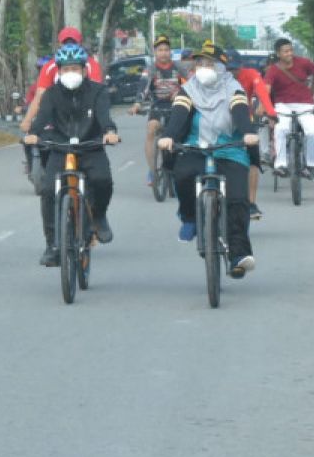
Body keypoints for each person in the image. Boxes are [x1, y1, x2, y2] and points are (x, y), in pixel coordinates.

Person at [157, 40, 259, 278]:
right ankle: (190, 217)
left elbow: (240, 113)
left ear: (222, 68)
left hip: (229, 149)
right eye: (200, 63)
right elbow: (179, 116)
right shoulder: (188, 90)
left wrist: (247, 133)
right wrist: (169, 136)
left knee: (238, 200)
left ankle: (238, 254)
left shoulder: (234, 89)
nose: (204, 68)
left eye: (210, 64)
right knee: (182, 175)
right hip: (196, 147)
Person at [23, 44, 121, 266]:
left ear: (85, 70)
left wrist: (110, 132)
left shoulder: (98, 91)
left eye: (75, 69)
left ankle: (99, 217)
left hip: (91, 146)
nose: (70, 74)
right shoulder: (51, 94)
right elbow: (41, 120)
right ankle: (52, 245)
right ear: (58, 72)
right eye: (65, 69)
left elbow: (104, 117)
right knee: (48, 191)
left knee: (102, 180)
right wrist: (32, 135)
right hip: (60, 148)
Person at [18, 26, 103, 136]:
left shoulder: (91, 65)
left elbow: (97, 95)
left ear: (80, 44)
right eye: (65, 42)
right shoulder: (49, 67)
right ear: (59, 44)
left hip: (85, 118)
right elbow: (40, 96)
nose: (69, 45)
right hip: (58, 120)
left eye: (73, 42)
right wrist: (28, 120)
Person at [225, 49, 277, 220]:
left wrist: (270, 111)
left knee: (252, 158)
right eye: (228, 69)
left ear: (241, 66)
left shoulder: (251, 74)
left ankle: (252, 204)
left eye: (234, 69)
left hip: (243, 119)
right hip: (219, 121)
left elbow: (262, 91)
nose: (231, 73)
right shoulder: (216, 77)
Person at [264, 37, 314, 181]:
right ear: (278, 54)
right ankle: (281, 165)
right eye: (285, 51)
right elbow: (266, 90)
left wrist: (313, 90)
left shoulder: (304, 63)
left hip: (306, 105)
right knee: (280, 130)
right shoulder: (273, 70)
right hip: (283, 106)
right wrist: (266, 108)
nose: (289, 53)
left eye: (291, 50)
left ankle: (313, 165)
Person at [128, 34, 185, 186]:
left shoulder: (179, 67)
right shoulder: (150, 69)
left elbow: (190, 85)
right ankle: (153, 171)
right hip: (158, 107)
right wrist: (138, 103)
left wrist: (180, 94)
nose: (163, 53)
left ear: (170, 51)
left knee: (182, 137)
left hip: (177, 107)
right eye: (160, 50)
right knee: (151, 130)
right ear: (155, 52)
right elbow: (143, 86)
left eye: (166, 49)